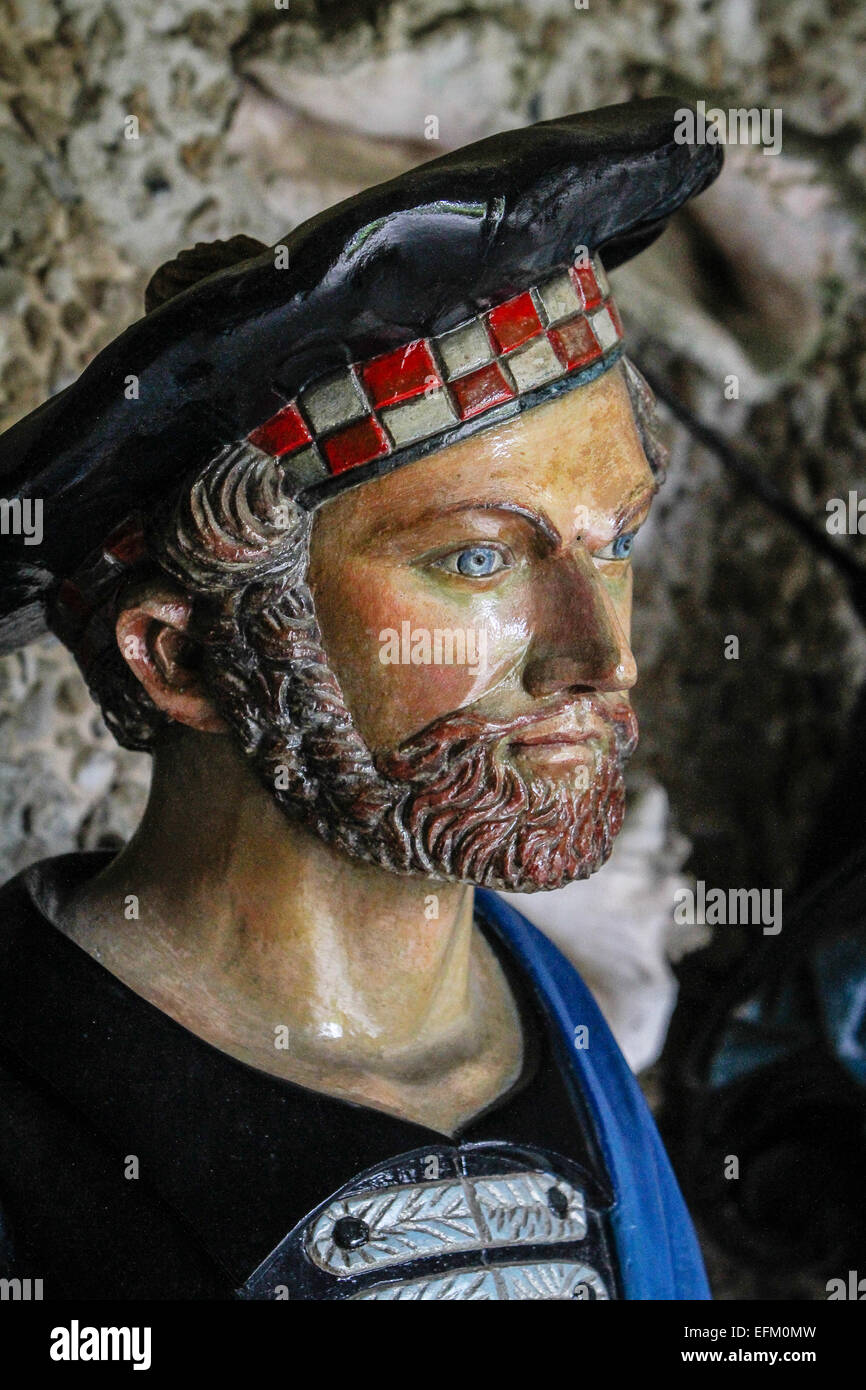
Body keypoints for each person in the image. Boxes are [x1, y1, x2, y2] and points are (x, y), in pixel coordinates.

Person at [0, 98, 721, 1300]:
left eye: (614, 540)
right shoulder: (40, 1098)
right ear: (177, 656)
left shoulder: (564, 1029)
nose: (598, 656)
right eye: (479, 559)